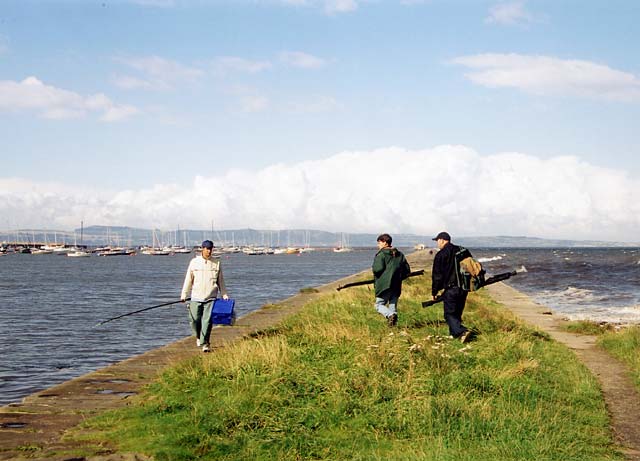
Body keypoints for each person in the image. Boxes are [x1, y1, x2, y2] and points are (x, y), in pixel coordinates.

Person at [180, 240, 229, 352]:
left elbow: (220, 281)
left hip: (211, 297)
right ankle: (198, 337)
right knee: (194, 320)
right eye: (207, 248)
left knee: (207, 322)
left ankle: (205, 344)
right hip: (196, 296)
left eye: (210, 248)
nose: (209, 251)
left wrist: (224, 294)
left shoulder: (216, 263)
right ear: (202, 249)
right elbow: (188, 279)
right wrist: (184, 294)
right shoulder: (194, 262)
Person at [431, 231, 472, 343]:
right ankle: (455, 335)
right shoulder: (463, 250)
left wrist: (434, 292)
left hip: (450, 288)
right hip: (464, 287)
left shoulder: (441, 254)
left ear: (442, 240)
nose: (437, 244)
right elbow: (471, 265)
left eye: (437, 241)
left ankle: (462, 331)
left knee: (449, 314)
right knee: (457, 312)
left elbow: (437, 276)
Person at [372, 233, 411, 327]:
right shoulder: (400, 254)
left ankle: (390, 315)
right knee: (392, 305)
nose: (378, 245)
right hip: (396, 284)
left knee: (378, 305)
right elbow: (407, 270)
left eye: (379, 243)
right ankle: (392, 327)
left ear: (385, 242)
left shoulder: (381, 254)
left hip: (385, 285)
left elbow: (377, 269)